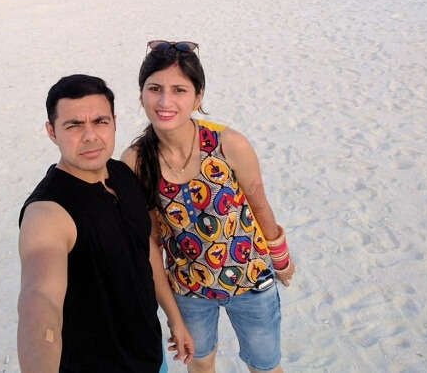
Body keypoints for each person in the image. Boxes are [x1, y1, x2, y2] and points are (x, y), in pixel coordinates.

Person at [121, 41, 296, 373]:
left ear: (197, 97)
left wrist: (281, 257)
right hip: (189, 289)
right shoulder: (135, 162)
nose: (164, 101)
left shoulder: (229, 143)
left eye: (179, 90)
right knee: (200, 364)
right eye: (154, 88)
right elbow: (150, 242)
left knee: (265, 365)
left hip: (252, 280)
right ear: (141, 93)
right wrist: (170, 313)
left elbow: (259, 203)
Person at [17, 74, 194, 373]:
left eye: (100, 121)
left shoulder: (122, 174)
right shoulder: (47, 212)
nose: (90, 136)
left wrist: (174, 319)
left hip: (150, 356)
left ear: (114, 121)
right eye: (73, 125)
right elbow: (40, 299)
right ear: (51, 131)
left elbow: (146, 249)